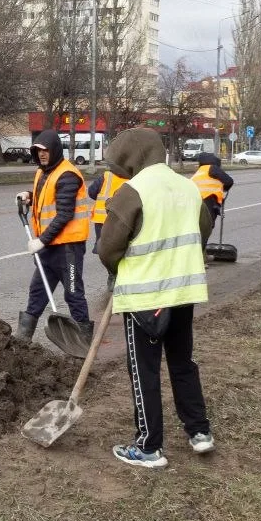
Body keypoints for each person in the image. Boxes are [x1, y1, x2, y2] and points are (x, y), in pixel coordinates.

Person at [96, 127, 215, 469]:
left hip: (145, 299)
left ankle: (148, 447)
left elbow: (108, 249)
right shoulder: (187, 187)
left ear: (133, 158)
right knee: (182, 363)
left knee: (144, 370)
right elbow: (202, 230)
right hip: (182, 293)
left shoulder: (133, 192)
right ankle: (199, 432)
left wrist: (120, 266)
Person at [15, 129, 92, 343]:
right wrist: (29, 196)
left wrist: (41, 241)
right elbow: (47, 198)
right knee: (38, 291)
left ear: (55, 150)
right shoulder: (43, 172)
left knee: (73, 293)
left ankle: (84, 343)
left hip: (68, 248)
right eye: (38, 151)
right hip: (49, 248)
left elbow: (65, 213)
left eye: (45, 150)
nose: (41, 154)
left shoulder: (67, 175)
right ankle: (22, 339)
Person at [191, 152, 234, 223]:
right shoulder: (212, 168)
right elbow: (229, 181)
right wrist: (225, 189)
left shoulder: (199, 172)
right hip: (207, 201)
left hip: (195, 202)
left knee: (198, 225)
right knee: (208, 224)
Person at [88, 167, 126, 248]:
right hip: (120, 219)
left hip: (101, 219)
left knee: (102, 244)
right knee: (118, 245)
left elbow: (91, 192)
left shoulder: (106, 176)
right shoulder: (132, 178)